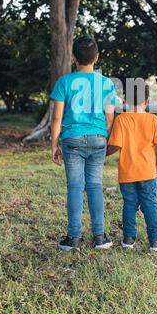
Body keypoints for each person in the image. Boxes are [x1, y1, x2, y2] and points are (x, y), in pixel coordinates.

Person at [50, 36, 116, 251]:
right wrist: (103, 138)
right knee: (95, 185)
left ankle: (73, 238)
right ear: (96, 58)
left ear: (73, 57)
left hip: (72, 139)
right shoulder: (106, 83)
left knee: (75, 187)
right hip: (98, 137)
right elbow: (109, 117)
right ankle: (99, 237)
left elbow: (57, 118)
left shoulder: (64, 82)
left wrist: (53, 144)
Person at [107, 81, 157, 252]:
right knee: (149, 204)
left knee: (129, 204)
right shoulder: (153, 119)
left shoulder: (121, 120)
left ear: (126, 100)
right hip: (147, 172)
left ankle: (128, 238)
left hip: (127, 173)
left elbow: (114, 146)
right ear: (147, 101)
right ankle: (155, 240)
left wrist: (102, 154)